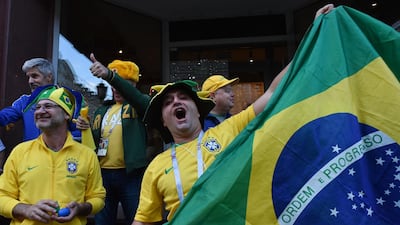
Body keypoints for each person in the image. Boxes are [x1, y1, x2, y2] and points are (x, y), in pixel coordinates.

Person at [132, 4, 335, 224]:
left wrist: (313, 35)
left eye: (183, 98)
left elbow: (274, 92)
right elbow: (143, 220)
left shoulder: (229, 130)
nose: (176, 102)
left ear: (198, 111)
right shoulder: (156, 167)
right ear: (164, 119)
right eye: (168, 103)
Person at [0, 87, 106, 225]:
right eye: (37, 107)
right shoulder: (20, 152)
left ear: (67, 114)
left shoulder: (87, 155)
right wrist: (26, 210)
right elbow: (2, 196)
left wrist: (80, 208)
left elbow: (98, 198)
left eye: (48, 106)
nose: (40, 111)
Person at [89, 53, 162, 225]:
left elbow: (137, 98)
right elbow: (93, 143)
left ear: (133, 85)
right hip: (103, 176)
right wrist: (85, 129)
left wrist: (111, 76)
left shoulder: (141, 104)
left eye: (120, 83)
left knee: (138, 220)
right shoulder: (102, 110)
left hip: (131, 175)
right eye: (112, 84)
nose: (115, 88)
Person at [0, 58, 88, 142]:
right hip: (32, 155)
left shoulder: (68, 97)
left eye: (34, 76)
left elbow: (79, 132)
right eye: (29, 77)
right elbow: (6, 115)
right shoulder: (25, 101)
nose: (30, 81)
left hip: (61, 155)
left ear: (49, 77)